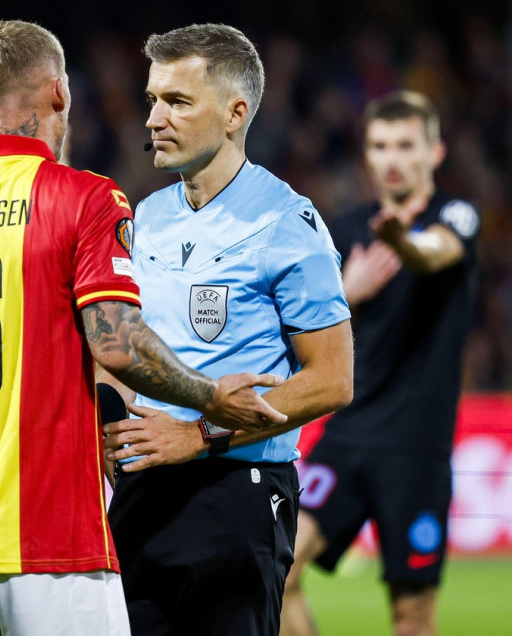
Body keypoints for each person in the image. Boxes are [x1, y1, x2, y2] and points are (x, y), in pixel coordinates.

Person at [0, 20, 287, 635]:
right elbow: (118, 345)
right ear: (58, 92)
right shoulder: (87, 200)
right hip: (49, 537)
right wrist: (211, 398)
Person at [102, 24, 353, 636]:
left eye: (178, 101)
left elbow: (332, 380)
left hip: (235, 491)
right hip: (142, 487)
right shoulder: (150, 214)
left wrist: (201, 433)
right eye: (153, 99)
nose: (155, 118)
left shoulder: (285, 221)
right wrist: (118, 418)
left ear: (236, 113)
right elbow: (126, 345)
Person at [281, 91, 479, 636]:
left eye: (405, 145)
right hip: (346, 437)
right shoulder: (343, 230)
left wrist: (402, 243)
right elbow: (303, 323)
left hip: (416, 452)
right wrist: (351, 289)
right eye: (380, 145)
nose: (391, 158)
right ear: (367, 154)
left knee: (411, 617)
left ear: (434, 152)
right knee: (278, 571)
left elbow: (435, 251)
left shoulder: (454, 215)